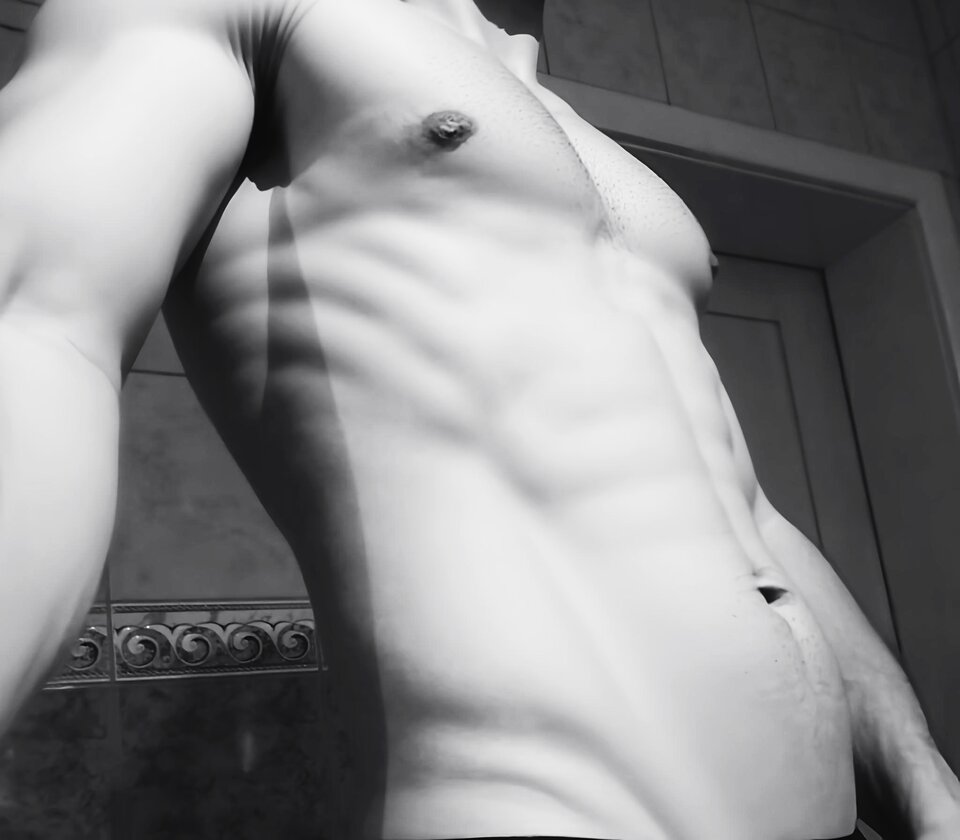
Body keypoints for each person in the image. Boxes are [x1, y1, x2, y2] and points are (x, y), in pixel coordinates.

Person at [0, 0, 957, 837]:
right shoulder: (255, 12)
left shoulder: (569, 123)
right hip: (540, 804)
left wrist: (925, 784)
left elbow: (747, 513)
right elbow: (39, 325)